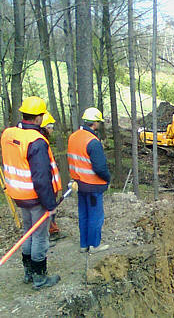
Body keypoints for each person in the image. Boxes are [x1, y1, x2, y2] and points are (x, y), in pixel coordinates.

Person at [1, 96, 61, 289]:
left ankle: (28, 272)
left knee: (28, 232)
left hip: (17, 195)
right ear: (38, 118)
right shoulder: (36, 141)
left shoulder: (8, 134)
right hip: (35, 198)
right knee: (40, 237)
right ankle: (39, 277)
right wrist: (50, 206)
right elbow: (42, 178)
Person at [67, 107, 111, 254]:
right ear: (95, 123)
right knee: (95, 216)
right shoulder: (93, 141)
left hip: (79, 184)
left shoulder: (73, 136)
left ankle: (84, 244)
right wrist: (107, 179)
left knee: (84, 214)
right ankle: (94, 244)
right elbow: (100, 167)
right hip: (93, 185)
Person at [41, 112, 61, 239]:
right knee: (47, 209)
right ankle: (50, 232)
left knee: (49, 208)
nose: (52, 129)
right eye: (51, 126)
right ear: (46, 127)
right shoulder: (40, 143)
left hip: (50, 183)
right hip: (47, 184)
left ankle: (52, 230)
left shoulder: (43, 141)